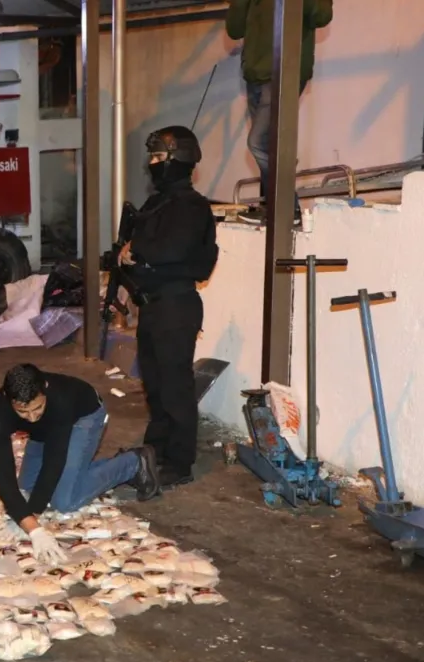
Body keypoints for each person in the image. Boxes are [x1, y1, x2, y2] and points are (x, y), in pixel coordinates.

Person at [119, 126, 219, 488]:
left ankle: (178, 462)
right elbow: (142, 247)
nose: (153, 164)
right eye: (152, 157)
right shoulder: (156, 204)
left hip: (176, 306)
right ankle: (155, 451)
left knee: (175, 389)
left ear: (179, 159)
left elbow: (174, 249)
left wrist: (137, 251)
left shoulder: (192, 206)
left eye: (159, 157)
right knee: (156, 386)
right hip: (154, 306)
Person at [0, 364, 160, 564]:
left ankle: (133, 462)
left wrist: (32, 523)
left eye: (37, 408)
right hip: (42, 433)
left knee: (65, 501)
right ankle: (85, 470)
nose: (32, 417)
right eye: (23, 412)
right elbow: (3, 474)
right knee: (27, 488)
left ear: (45, 389)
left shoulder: (60, 400)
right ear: (8, 399)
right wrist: (27, 520)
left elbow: (54, 461)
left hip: (82, 418)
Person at [226, 0, 334, 227]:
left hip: (284, 71)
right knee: (269, 146)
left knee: (258, 143)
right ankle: (274, 208)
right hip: (255, 75)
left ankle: (286, 208)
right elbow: (234, 30)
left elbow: (322, 15)